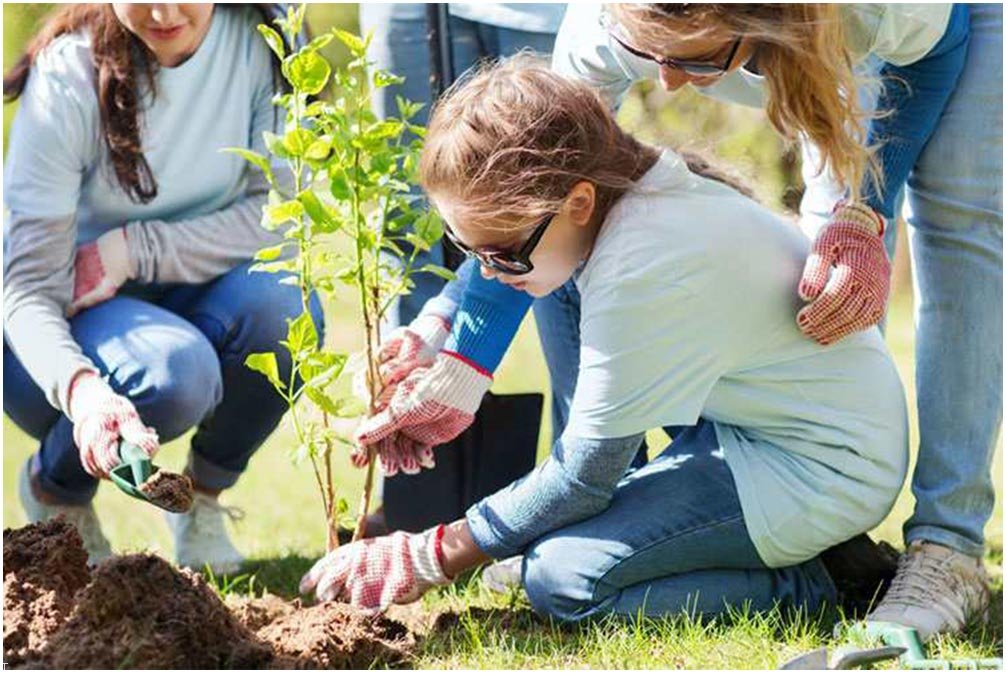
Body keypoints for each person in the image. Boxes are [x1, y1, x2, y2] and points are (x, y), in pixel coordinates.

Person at [355, 3, 1001, 639]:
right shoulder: (602, 30)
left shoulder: (639, 261)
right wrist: (458, 351)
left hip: (930, 35)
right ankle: (627, 520)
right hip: (774, 429)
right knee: (557, 271)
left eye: (688, 57)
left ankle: (931, 546)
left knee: (958, 224)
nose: (662, 82)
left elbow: (939, 46)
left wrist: (865, 209)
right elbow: (530, 194)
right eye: (648, 54)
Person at [3, 3, 322, 572]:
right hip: (66, 318)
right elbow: (26, 289)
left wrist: (134, 249)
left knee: (287, 311)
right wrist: (84, 394)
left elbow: (278, 214)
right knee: (177, 374)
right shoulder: (67, 74)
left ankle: (199, 499)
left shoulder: (262, 40)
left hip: (191, 283)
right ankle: (56, 489)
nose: (165, 12)